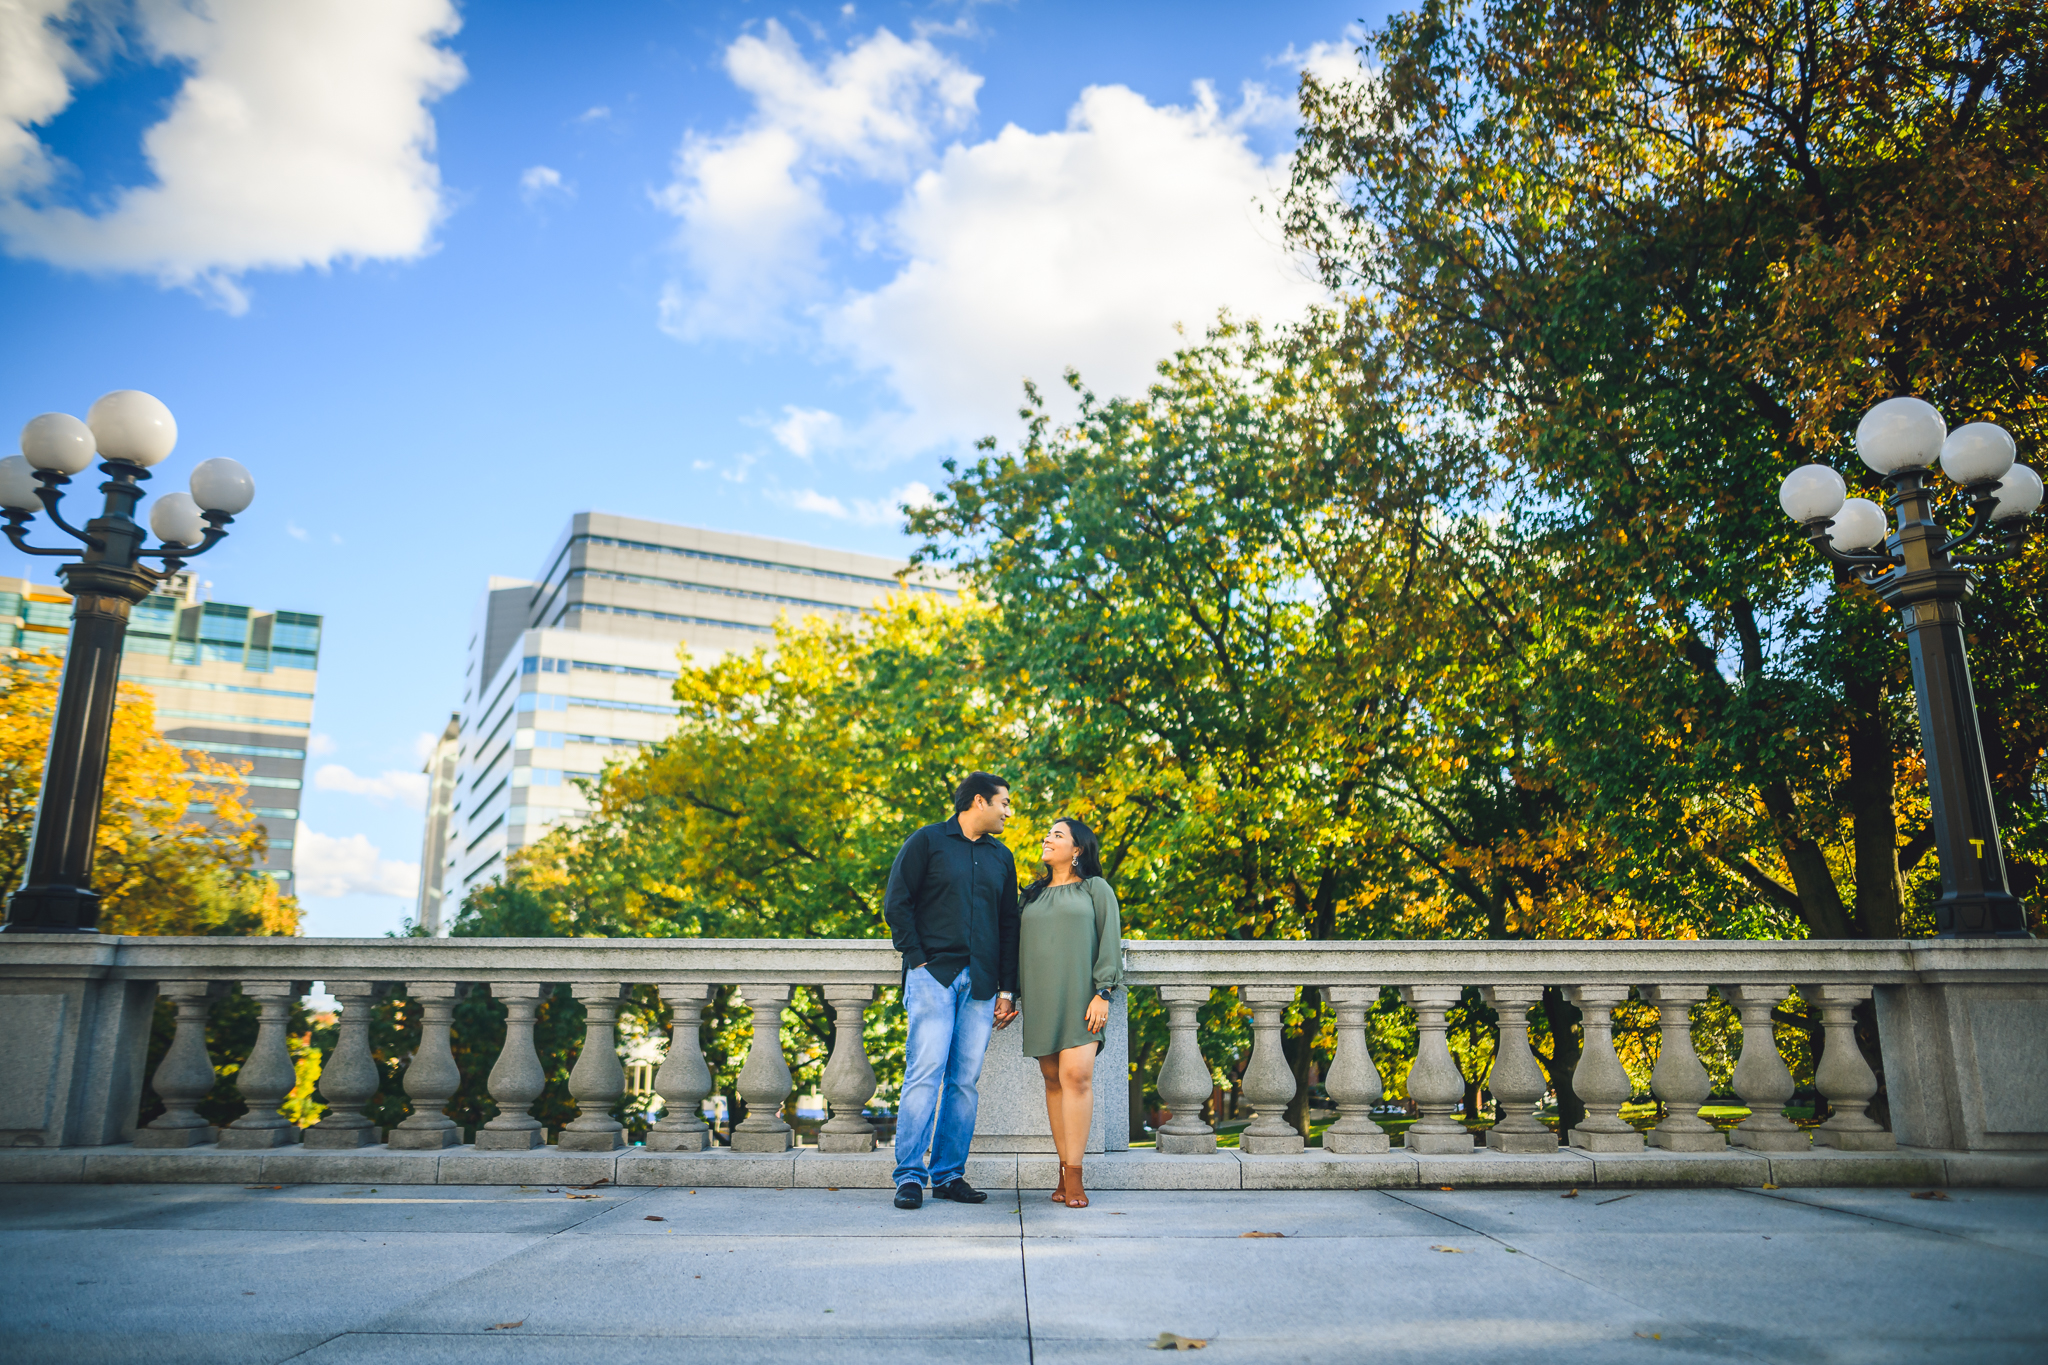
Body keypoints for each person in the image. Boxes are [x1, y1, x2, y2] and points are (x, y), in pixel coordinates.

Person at [881, 771, 1021, 1211]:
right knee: (924, 1075)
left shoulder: (1002, 857)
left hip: (981, 983)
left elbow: (1008, 926)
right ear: (978, 801)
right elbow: (896, 903)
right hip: (933, 977)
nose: (1008, 812)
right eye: (1003, 803)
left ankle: (947, 1175)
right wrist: (918, 958)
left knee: (963, 1082)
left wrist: (1008, 989)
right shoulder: (927, 841)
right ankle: (909, 1177)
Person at [1017, 816, 1122, 1209]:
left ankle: (1076, 1176)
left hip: (1083, 997)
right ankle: (1062, 1171)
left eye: (1057, 835)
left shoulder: (1096, 889)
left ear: (1077, 850)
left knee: (1077, 1076)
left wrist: (1103, 991)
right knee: (1052, 1081)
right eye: (1047, 834)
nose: (1048, 839)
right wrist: (1010, 994)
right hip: (1041, 997)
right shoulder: (1031, 895)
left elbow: (1109, 937)